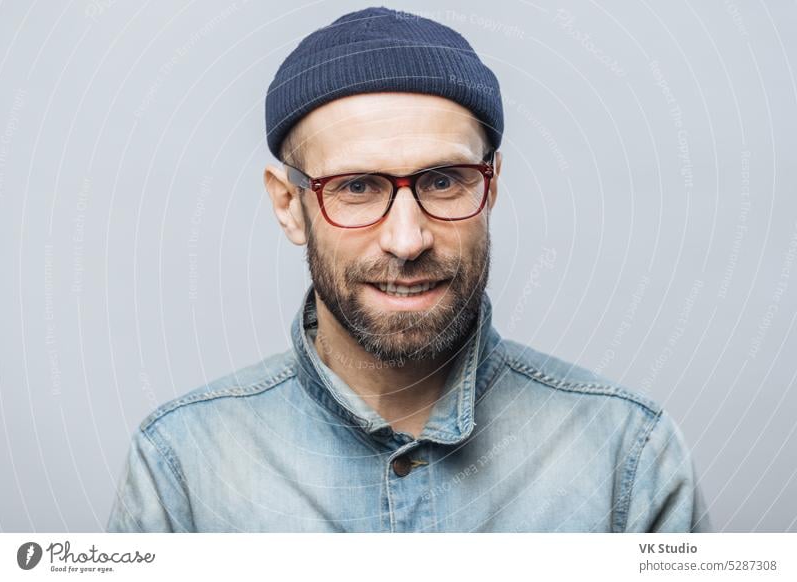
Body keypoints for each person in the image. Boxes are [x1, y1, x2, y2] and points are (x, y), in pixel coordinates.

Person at [107, 5, 711, 533]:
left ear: (491, 187)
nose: (407, 239)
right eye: (358, 186)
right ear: (290, 206)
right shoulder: (182, 465)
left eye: (444, 181)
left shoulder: (627, 457)